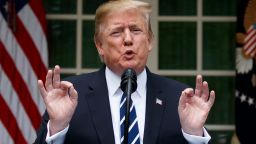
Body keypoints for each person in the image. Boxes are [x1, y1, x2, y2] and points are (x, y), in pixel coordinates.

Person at [34, 0, 215, 144]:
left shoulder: (179, 98)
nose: (128, 39)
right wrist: (57, 128)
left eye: (136, 30)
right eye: (117, 32)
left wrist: (194, 136)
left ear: (150, 40)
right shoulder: (71, 95)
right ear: (99, 46)